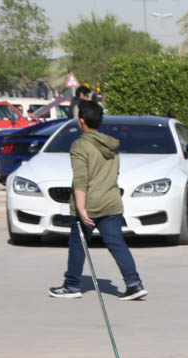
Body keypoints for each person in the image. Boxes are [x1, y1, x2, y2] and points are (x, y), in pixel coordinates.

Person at [48, 101, 145, 300]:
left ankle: (72, 285)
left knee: (78, 245)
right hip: (111, 202)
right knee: (117, 243)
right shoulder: (111, 144)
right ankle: (134, 283)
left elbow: (81, 179)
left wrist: (81, 209)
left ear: (81, 121)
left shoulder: (80, 145)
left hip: (89, 204)